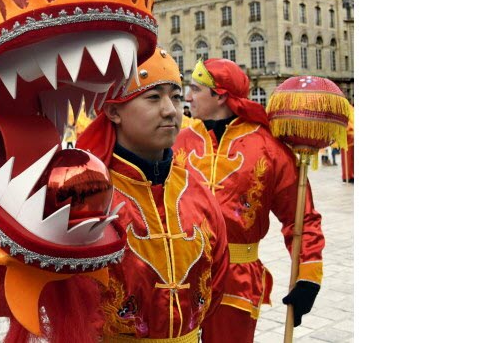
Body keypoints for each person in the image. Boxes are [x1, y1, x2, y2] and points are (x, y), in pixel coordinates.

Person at [78, 49, 229, 341]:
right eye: (153, 97)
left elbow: (218, 278)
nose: (171, 110)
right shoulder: (88, 195)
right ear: (113, 111)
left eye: (175, 96)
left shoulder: (196, 189)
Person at [174, 59, 324, 342]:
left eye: (195, 89)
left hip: (237, 279)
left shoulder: (269, 148)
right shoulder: (178, 141)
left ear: (219, 95)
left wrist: (307, 276)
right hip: (180, 275)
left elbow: (300, 217)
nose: (188, 96)